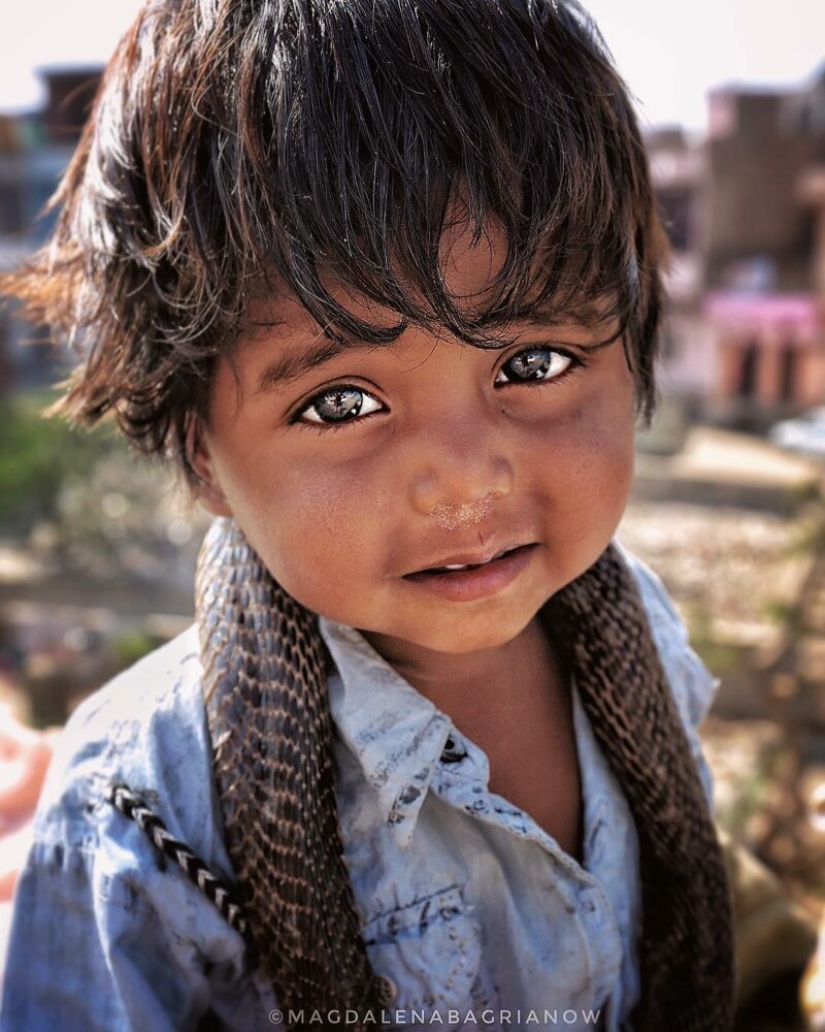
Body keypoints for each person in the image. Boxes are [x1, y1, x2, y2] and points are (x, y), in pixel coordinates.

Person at [0, 0, 736, 1028]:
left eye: (535, 363)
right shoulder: (142, 809)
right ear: (204, 454)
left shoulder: (644, 635)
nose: (465, 481)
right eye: (341, 403)